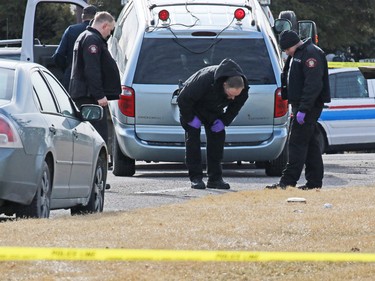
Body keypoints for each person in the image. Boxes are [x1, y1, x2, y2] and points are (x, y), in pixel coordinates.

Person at [266, 30, 331, 190]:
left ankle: (287, 182)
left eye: (286, 49)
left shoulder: (310, 54)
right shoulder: (298, 54)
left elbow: (313, 85)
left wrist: (303, 108)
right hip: (302, 105)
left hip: (308, 106)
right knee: (310, 145)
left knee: (296, 143)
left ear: (291, 45)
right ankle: (314, 182)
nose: (286, 52)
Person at [177, 58, 249, 190]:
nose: (232, 98)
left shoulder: (242, 89)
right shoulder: (205, 80)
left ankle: (215, 179)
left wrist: (224, 120)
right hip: (193, 107)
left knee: (217, 138)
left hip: (213, 109)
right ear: (224, 85)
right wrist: (190, 118)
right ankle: (196, 178)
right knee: (193, 140)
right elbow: (183, 99)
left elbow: (235, 107)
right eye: (230, 95)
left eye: (235, 96)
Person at [69, 11, 121, 179]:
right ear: (104, 25)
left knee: (90, 138)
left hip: (86, 95)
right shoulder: (92, 40)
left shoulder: (85, 36)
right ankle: (96, 179)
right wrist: (99, 95)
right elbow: (92, 70)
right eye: (110, 30)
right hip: (90, 97)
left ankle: (91, 178)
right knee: (98, 138)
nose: (109, 34)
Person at [52, 5, 98, 90]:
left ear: (82, 16)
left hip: (72, 77)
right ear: (97, 17)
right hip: (94, 80)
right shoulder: (100, 32)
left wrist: (68, 68)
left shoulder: (71, 30)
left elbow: (58, 55)